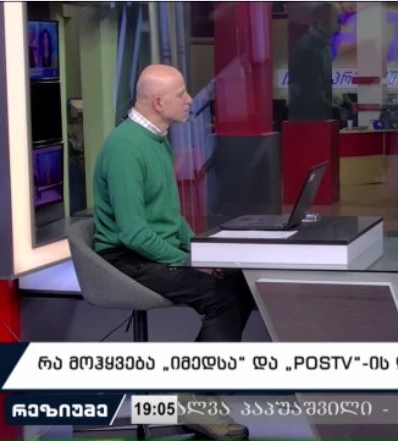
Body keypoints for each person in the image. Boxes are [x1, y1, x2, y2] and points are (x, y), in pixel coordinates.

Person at [93, 65, 253, 438]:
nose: (190, 100)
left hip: (152, 250)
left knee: (240, 284)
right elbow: (133, 233)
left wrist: (201, 251)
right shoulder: (125, 148)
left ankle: (195, 393)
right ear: (157, 102)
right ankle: (196, 399)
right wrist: (187, 261)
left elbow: (169, 216)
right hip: (127, 259)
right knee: (221, 297)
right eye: (181, 94)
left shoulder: (158, 139)